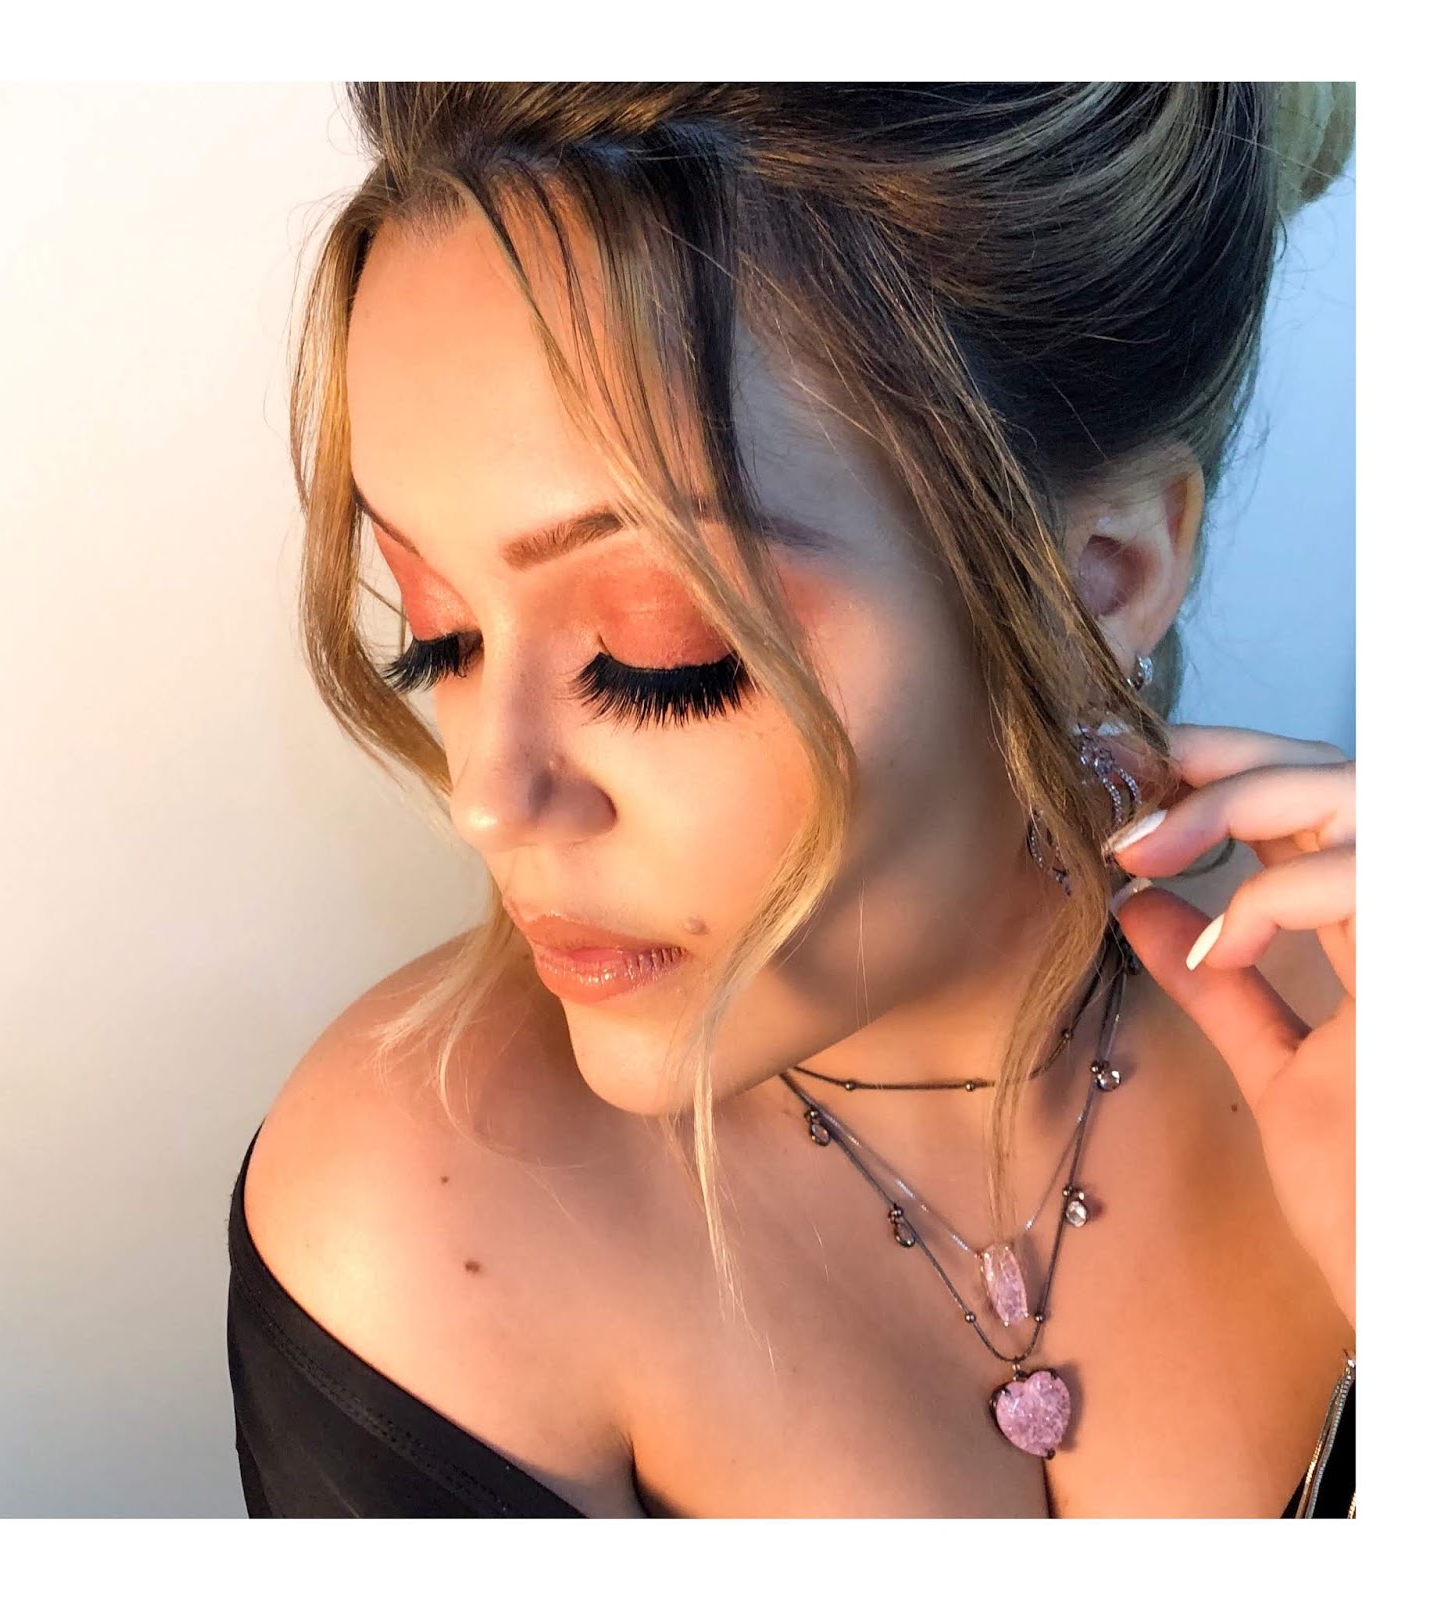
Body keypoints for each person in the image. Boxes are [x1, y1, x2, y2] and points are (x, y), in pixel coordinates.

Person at [225, 82, 1356, 1517]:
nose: (490, 803)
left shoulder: (1376, 1039)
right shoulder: (426, 1217)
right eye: (439, 635)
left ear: (1097, 582)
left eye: (657, 656)